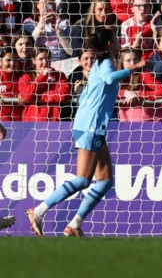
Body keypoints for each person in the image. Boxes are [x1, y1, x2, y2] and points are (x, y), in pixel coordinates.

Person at [26, 29, 148, 237]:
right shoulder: (106, 63)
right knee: (83, 179)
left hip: (93, 125)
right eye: (117, 40)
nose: (120, 42)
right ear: (110, 43)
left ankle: (75, 224)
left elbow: (97, 92)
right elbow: (110, 79)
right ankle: (38, 211)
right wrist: (134, 67)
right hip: (90, 125)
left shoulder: (102, 63)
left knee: (105, 180)